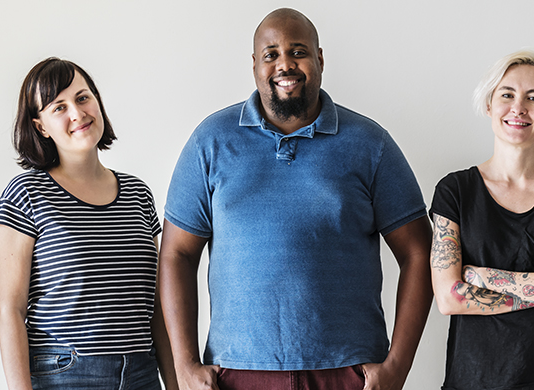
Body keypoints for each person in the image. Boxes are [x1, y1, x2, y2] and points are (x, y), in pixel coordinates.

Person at [157, 8, 433, 390]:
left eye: (298, 52)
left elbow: (419, 252)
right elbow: (176, 254)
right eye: (271, 54)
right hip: (236, 374)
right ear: (255, 65)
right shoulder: (211, 141)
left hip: (347, 373)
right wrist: (184, 366)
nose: (285, 64)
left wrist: (397, 366)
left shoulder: (370, 144)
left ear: (320, 58)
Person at [0, 57, 178, 390]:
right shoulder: (27, 193)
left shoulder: (137, 193)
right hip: (65, 373)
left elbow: (157, 309)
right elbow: (10, 311)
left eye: (82, 98)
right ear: (40, 126)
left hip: (142, 372)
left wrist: (176, 383)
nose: (77, 114)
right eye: (58, 107)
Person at [428, 49, 534, 390]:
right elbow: (449, 298)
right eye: (507, 95)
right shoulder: (455, 190)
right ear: (490, 105)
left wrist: (483, 276)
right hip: (473, 381)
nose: (518, 107)